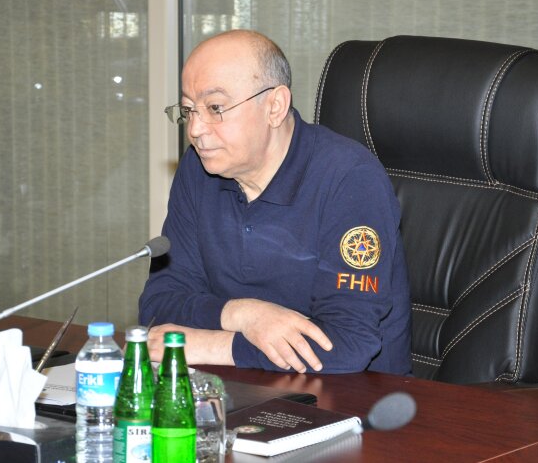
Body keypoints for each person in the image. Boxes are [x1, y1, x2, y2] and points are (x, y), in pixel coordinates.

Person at [139, 29, 411, 374]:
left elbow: (348, 343)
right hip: (238, 387)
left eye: (215, 108)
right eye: (189, 110)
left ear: (275, 106)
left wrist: (214, 344)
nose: (195, 129)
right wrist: (244, 315)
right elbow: (158, 305)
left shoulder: (350, 179)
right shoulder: (199, 169)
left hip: (354, 395)